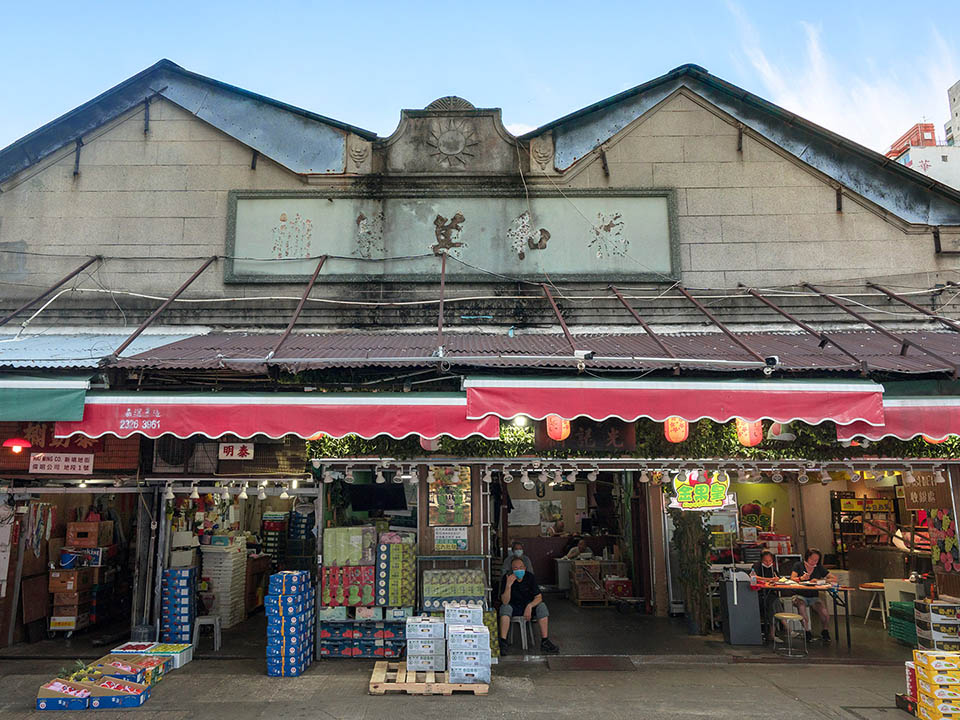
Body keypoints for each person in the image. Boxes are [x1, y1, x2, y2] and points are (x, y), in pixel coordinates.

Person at [499, 557, 559, 655]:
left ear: (525, 568)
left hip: (529, 607)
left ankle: (545, 641)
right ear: (512, 570)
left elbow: (539, 597)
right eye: (515, 568)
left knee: (542, 607)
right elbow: (505, 601)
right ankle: (503, 642)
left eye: (521, 567)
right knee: (504, 608)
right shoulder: (507, 578)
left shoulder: (530, 577)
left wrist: (530, 606)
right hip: (514, 607)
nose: (519, 570)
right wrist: (508, 585)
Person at [790, 547, 837, 643]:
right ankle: (807, 631)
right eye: (812, 559)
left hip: (814, 597)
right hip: (799, 595)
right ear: (807, 557)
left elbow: (834, 579)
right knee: (802, 607)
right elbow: (792, 578)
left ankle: (825, 630)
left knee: (824, 613)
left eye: (816, 560)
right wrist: (801, 578)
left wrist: (820, 581)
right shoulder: (798, 565)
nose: (814, 562)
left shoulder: (819, 568)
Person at [751, 550, 780, 638]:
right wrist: (769, 580)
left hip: (771, 592)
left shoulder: (773, 569)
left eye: (770, 561)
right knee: (772, 603)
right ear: (761, 560)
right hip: (759, 594)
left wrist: (776, 580)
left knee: (775, 602)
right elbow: (754, 577)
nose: (768, 563)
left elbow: (777, 578)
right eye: (765, 561)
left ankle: (776, 631)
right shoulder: (757, 566)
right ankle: (782, 629)